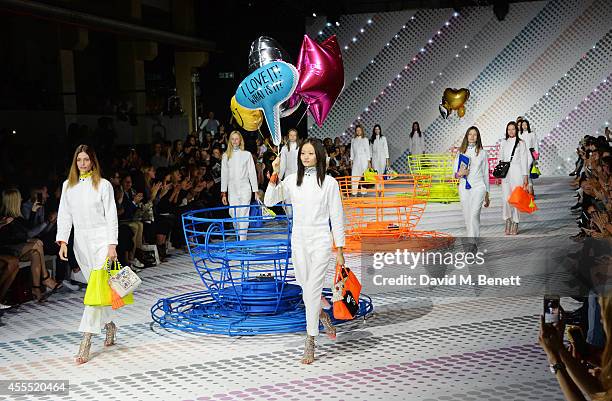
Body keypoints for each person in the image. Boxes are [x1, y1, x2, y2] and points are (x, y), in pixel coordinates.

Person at [264, 138, 345, 364]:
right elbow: (269, 200)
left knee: (312, 289)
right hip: (298, 239)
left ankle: (310, 340)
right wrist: (274, 173)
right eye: (303, 154)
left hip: (320, 239)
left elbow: (337, 216)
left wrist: (339, 248)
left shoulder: (329, 183)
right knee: (305, 285)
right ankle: (321, 313)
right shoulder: (291, 180)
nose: (305, 157)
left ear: (319, 155)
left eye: (310, 153)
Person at [56, 144, 119, 364]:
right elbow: (64, 215)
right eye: (79, 160)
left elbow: (111, 215)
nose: (82, 163)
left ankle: (86, 341)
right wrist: (63, 240)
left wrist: (112, 244)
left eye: (86, 159)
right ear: (75, 162)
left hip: (102, 241)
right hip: (80, 243)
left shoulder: (104, 185)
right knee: (98, 289)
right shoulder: (67, 186)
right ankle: (109, 325)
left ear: (93, 161)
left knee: (93, 291)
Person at [221, 131, 259, 241]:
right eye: (232, 139)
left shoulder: (247, 155)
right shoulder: (225, 156)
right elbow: (224, 175)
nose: (234, 141)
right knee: (233, 214)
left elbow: (252, 173)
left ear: (240, 140)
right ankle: (239, 236)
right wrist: (223, 193)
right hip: (232, 189)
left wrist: (255, 190)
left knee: (244, 214)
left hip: (245, 188)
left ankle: (243, 241)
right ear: (230, 141)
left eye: (236, 139)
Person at [454, 126, 490, 240]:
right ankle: (473, 238)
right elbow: (454, 173)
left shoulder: (483, 153)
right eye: (470, 134)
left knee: (474, 215)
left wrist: (487, 194)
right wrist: (460, 173)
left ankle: (472, 243)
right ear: (466, 136)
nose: (472, 137)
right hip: (464, 187)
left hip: (479, 187)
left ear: (478, 137)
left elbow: (485, 174)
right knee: (467, 216)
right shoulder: (460, 152)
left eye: (475, 134)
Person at [500, 121, 529, 235]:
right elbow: (500, 158)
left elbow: (524, 160)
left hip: (517, 173)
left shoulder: (521, 143)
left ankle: (516, 222)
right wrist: (499, 173)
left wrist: (525, 177)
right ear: (507, 131)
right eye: (509, 129)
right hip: (506, 174)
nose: (511, 131)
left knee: (516, 199)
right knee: (506, 199)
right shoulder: (504, 142)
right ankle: (508, 220)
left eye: (513, 129)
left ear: (516, 130)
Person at [350, 125, 372, 196]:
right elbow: (352, 151)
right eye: (357, 130)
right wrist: (351, 160)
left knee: (363, 178)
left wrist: (369, 162)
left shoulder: (365, 139)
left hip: (364, 160)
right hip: (356, 160)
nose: (358, 132)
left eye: (359, 130)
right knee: (354, 176)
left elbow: (367, 151)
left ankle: (363, 193)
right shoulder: (353, 140)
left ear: (362, 131)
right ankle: (354, 193)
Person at [520, 119, 539, 195]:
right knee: (523, 173)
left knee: (527, 171)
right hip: (521, 155)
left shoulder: (532, 134)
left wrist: (536, 156)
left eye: (525, 124)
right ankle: (529, 189)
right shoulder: (519, 134)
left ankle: (530, 190)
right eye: (523, 125)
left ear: (528, 125)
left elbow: (535, 145)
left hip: (530, 155)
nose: (524, 126)